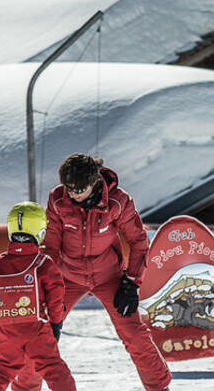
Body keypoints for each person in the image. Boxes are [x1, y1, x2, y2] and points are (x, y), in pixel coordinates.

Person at [41, 153, 172, 391]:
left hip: (108, 277)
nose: (73, 194)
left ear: (94, 182)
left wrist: (132, 283)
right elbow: (50, 246)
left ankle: (159, 387)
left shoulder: (118, 202)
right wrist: (47, 289)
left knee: (134, 334)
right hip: (67, 277)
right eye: (68, 188)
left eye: (78, 189)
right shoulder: (57, 200)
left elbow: (139, 241)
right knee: (40, 335)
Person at [0, 202, 75, 391]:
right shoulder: (43, 264)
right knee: (52, 367)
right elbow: (56, 297)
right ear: (40, 231)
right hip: (36, 328)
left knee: (2, 368)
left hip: (6, 328)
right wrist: (56, 324)